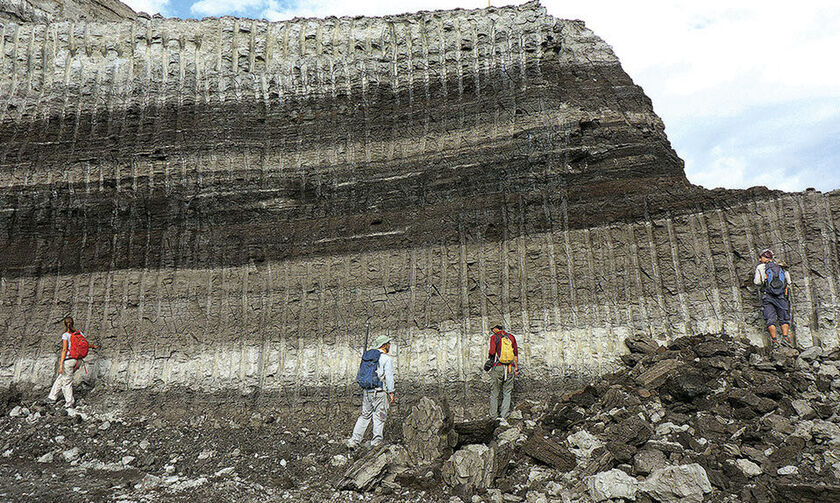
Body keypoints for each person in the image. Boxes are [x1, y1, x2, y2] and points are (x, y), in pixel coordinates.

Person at [347, 334, 395, 449]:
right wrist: (391, 392)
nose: (389, 345)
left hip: (367, 391)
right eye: (388, 343)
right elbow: (389, 377)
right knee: (379, 417)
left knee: (364, 416)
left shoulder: (368, 357)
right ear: (384, 345)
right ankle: (376, 443)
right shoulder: (386, 358)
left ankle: (354, 441)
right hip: (379, 392)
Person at [47, 317, 98, 408]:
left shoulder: (65, 335)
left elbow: (64, 350)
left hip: (69, 361)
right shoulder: (79, 333)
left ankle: (70, 402)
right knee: (62, 378)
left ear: (65, 324)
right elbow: (85, 345)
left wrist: (61, 364)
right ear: (73, 323)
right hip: (78, 361)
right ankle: (52, 397)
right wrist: (93, 346)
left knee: (67, 382)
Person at [753, 249, 792, 347]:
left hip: (768, 295)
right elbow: (789, 281)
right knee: (784, 317)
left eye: (760, 257)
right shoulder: (781, 266)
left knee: (770, 318)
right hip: (781, 296)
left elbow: (757, 282)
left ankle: (774, 341)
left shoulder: (761, 267)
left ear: (764, 258)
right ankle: (785, 338)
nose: (759, 259)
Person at [488, 324, 519, 419]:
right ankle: (504, 415)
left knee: (494, 393)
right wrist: (516, 369)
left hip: (498, 367)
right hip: (510, 368)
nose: (491, 331)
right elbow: (515, 354)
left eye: (492, 329)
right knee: (507, 392)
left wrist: (490, 359)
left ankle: (493, 416)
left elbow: (492, 352)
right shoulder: (511, 337)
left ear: (496, 328)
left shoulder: (494, 337)